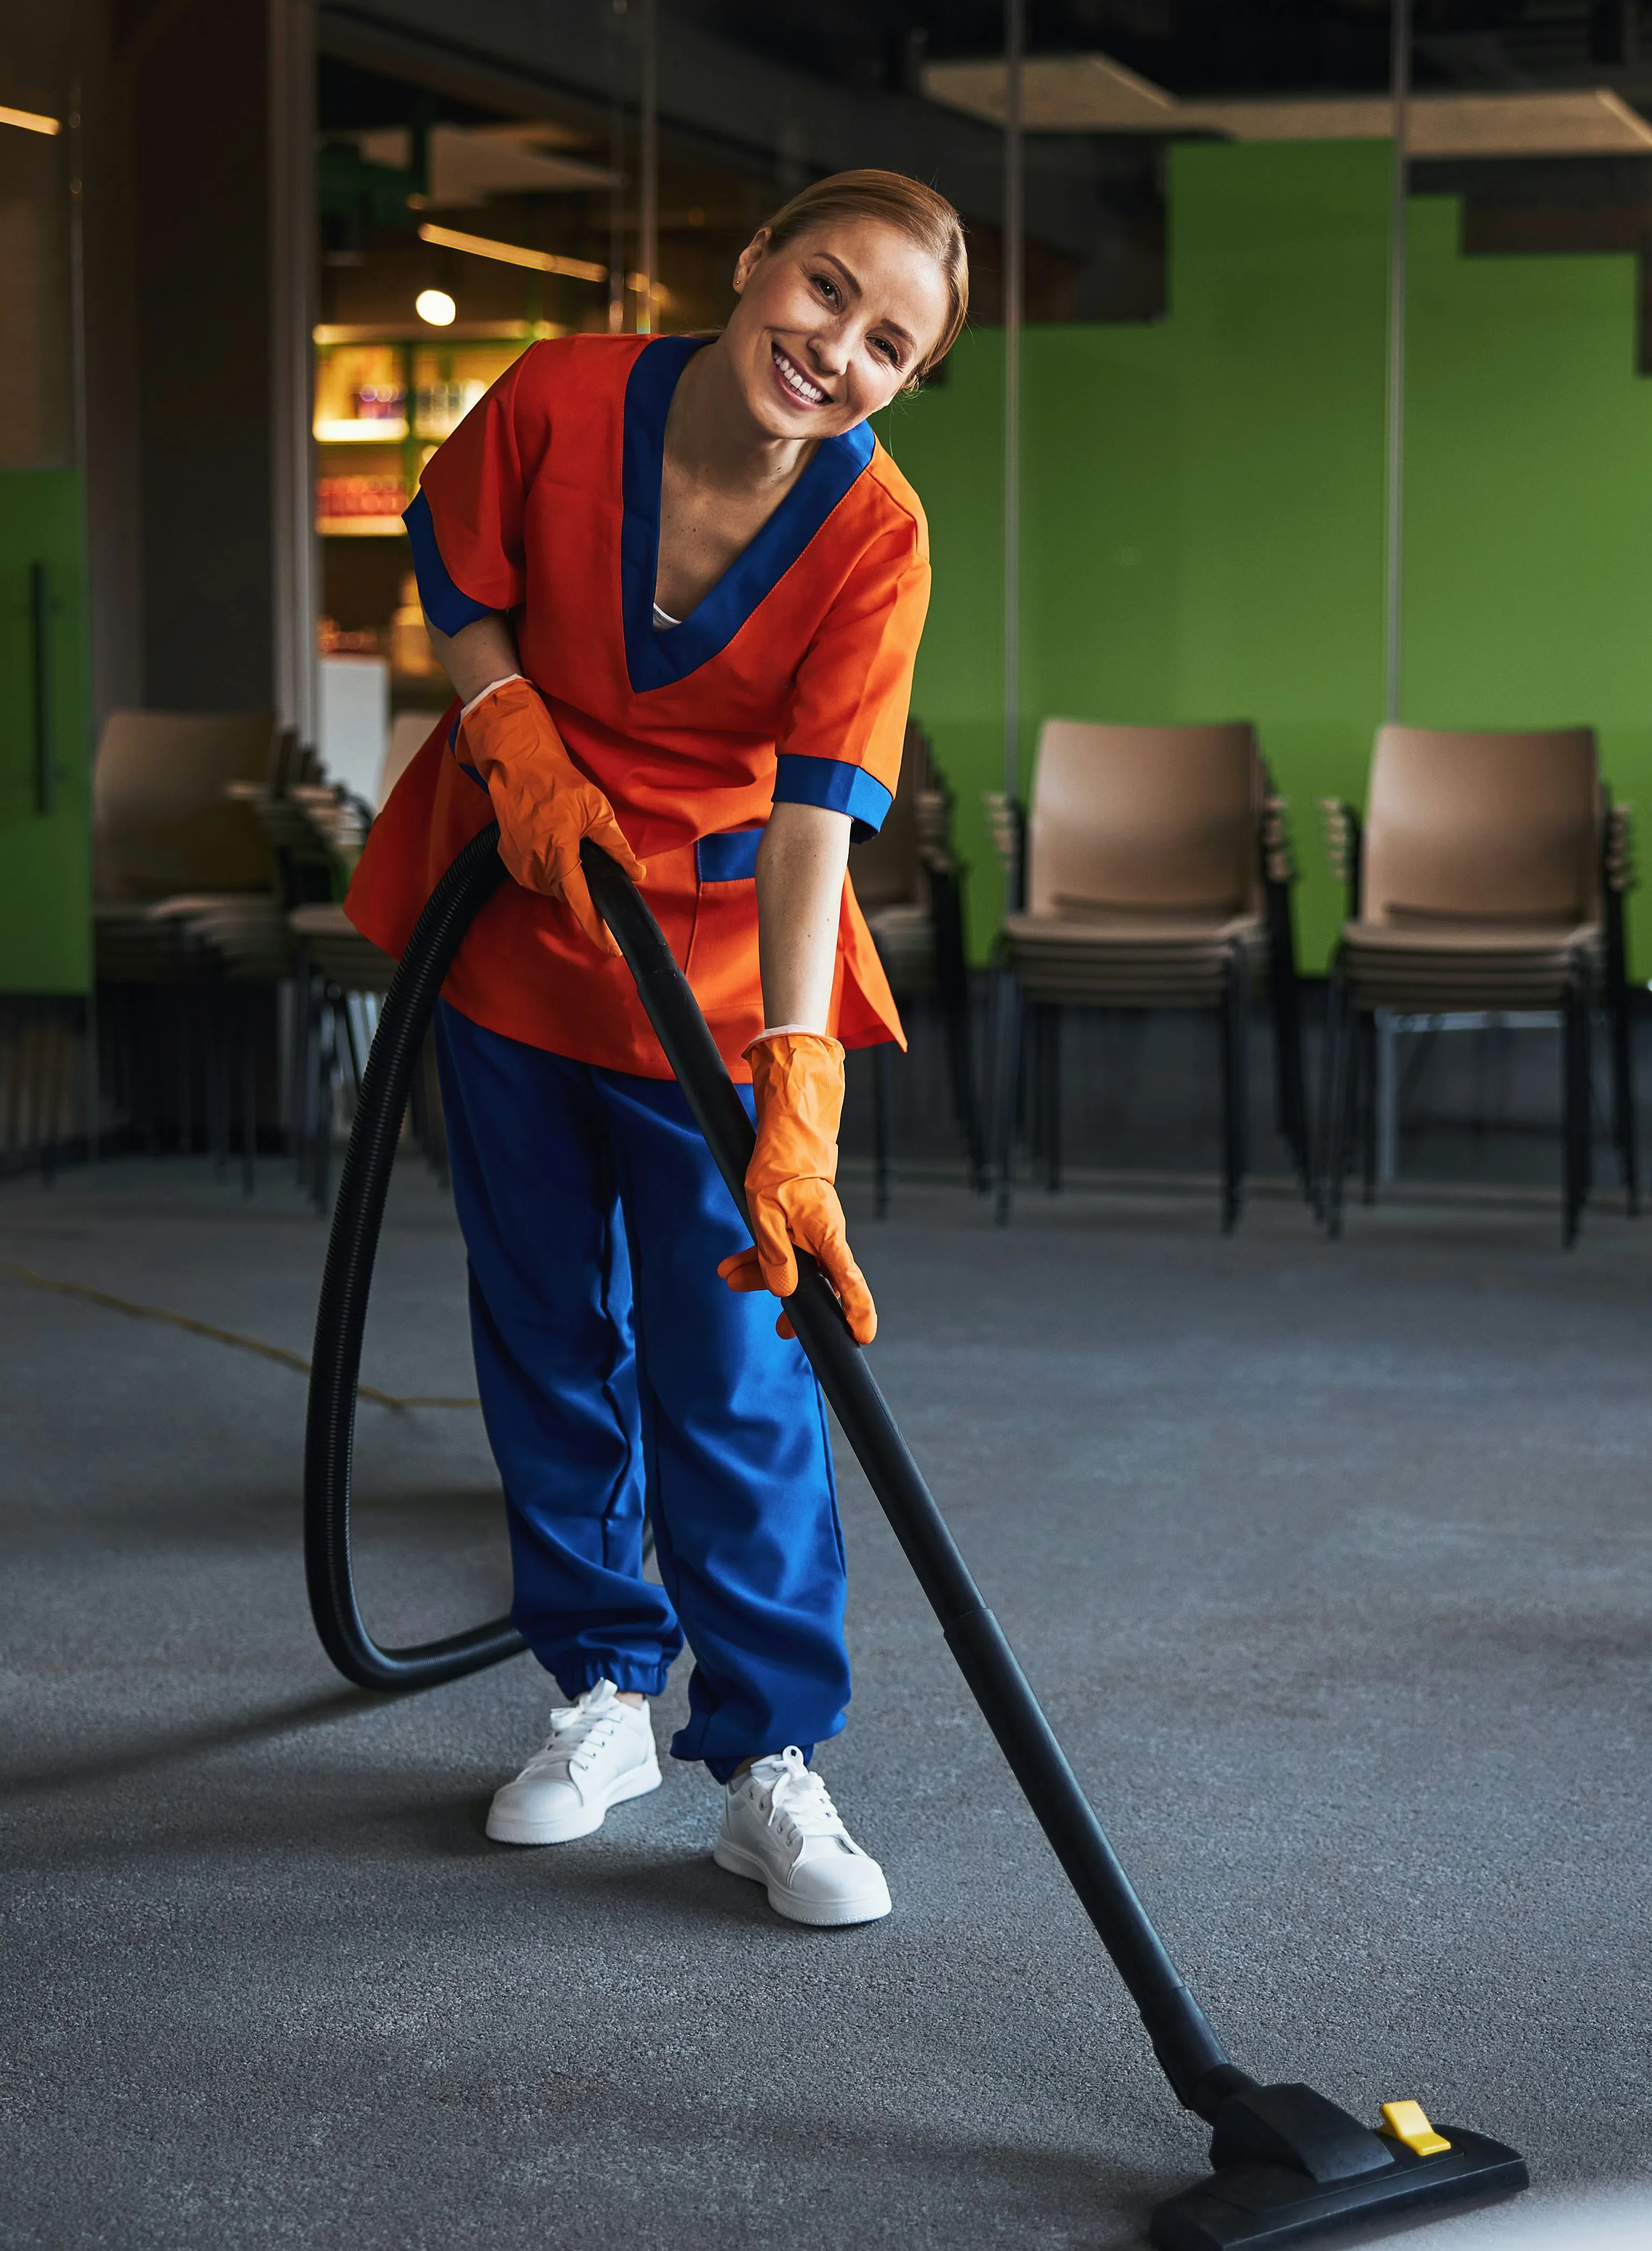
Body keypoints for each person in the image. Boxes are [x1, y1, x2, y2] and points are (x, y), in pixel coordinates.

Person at [340, 172, 963, 1925]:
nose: (835, 346)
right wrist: (506, 723)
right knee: (545, 1329)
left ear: (908, 383)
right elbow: (456, 576)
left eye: (888, 341)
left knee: (736, 1364)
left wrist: (797, 1085)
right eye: (825, 289)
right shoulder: (556, 395)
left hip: (709, 957)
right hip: (517, 919)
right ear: (752, 254)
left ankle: (770, 1761)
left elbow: (819, 827)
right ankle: (603, 1691)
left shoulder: (876, 537)